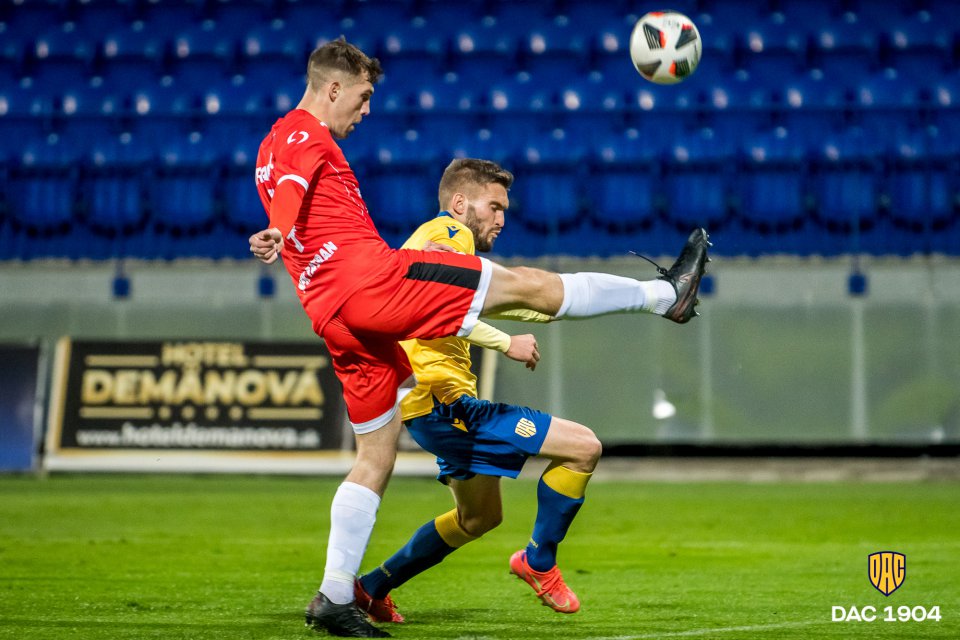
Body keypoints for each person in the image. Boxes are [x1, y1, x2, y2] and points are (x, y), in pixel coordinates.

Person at [249, 39, 710, 638]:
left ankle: (337, 596)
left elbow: (290, 185)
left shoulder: (269, 145)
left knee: (377, 456)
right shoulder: (305, 134)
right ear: (333, 88)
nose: (366, 110)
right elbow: (292, 188)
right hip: (371, 282)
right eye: (362, 97)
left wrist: (284, 229)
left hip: (333, 312)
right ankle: (664, 296)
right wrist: (278, 228)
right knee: (528, 284)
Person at [352, 158, 600, 626]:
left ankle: (370, 588)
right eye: (494, 207)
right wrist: (507, 343)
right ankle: (538, 561)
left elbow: (480, 303)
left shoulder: (429, 244)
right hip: (446, 404)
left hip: (432, 407)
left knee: (478, 519)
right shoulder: (449, 234)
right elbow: (444, 306)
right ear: (460, 203)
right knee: (583, 448)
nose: (502, 219)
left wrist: (554, 308)